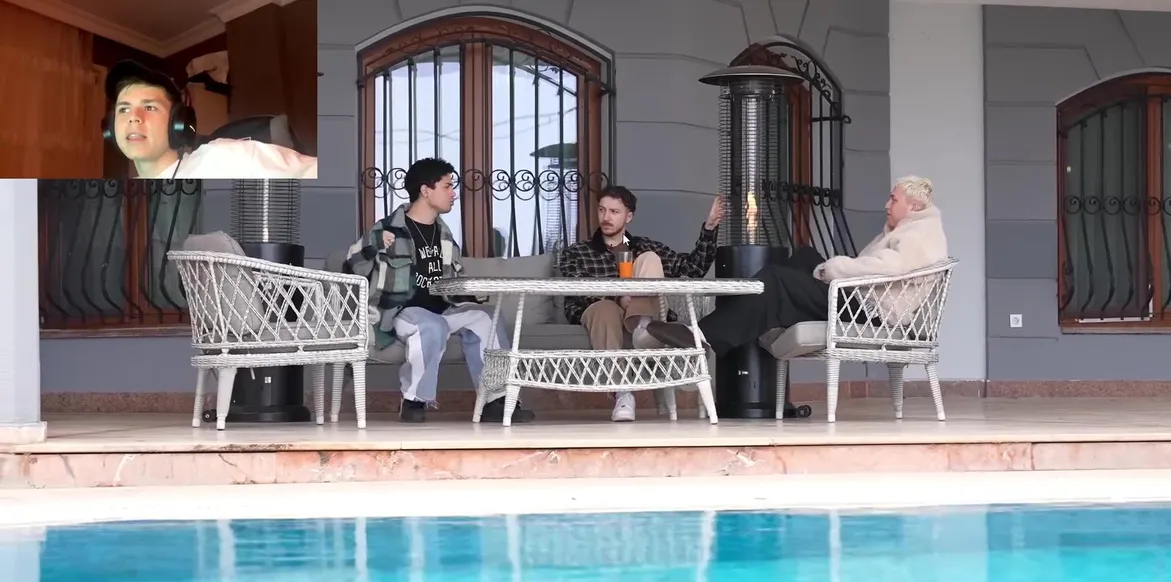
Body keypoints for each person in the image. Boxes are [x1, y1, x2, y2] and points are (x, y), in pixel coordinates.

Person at [645, 176, 948, 356]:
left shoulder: (919, 235)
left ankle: (704, 336)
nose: (886, 205)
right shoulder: (911, 229)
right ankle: (760, 307)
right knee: (805, 257)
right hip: (859, 298)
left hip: (872, 311)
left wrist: (837, 269)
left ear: (914, 206)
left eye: (893, 200)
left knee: (776, 278)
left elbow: (890, 267)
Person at [344, 157, 534, 424]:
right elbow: (351, 263)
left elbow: (452, 279)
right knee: (431, 325)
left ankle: (496, 400)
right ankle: (414, 400)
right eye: (447, 186)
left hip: (442, 308)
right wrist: (374, 243)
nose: (453, 193)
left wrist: (470, 294)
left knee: (487, 317)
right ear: (425, 190)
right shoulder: (388, 229)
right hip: (400, 312)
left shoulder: (444, 235)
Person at [558, 185, 723, 421]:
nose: (606, 217)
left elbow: (692, 270)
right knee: (605, 309)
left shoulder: (645, 246)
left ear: (629, 216)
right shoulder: (577, 252)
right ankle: (623, 394)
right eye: (602, 210)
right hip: (600, 311)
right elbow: (578, 288)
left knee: (650, 259)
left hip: (642, 309)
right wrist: (619, 298)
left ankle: (643, 325)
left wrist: (709, 228)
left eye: (614, 211)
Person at [104, 60, 317, 180]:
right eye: (124, 109)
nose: (133, 118)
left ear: (178, 123)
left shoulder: (225, 159)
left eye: (149, 107)